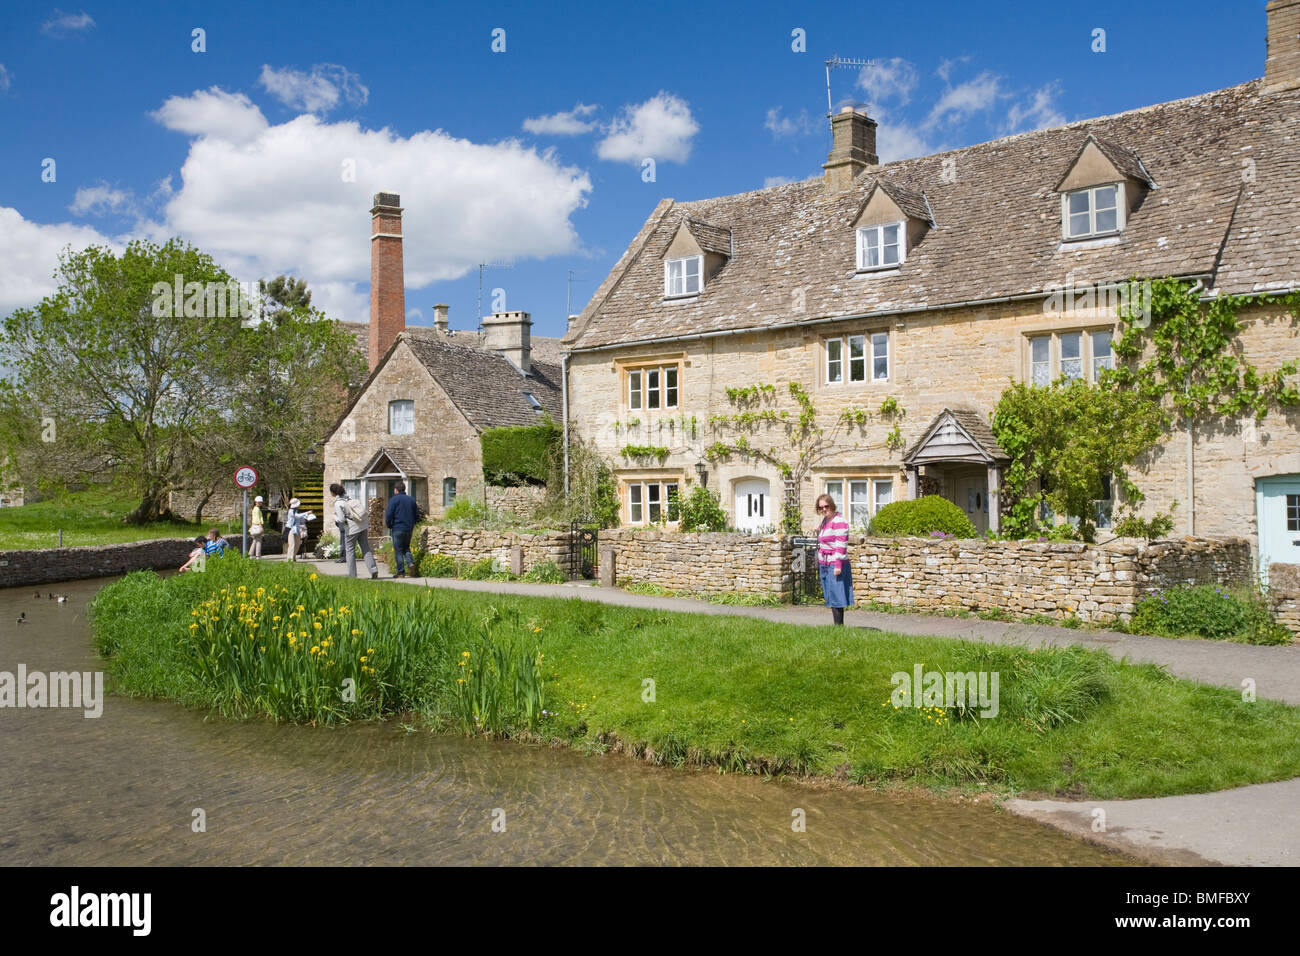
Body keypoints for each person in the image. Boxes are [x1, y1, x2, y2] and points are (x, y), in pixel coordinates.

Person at [815, 493, 854, 626]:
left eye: (826, 506)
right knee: (831, 594)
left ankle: (839, 627)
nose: (824, 509)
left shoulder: (839, 521)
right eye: (821, 508)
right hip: (825, 562)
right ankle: (837, 627)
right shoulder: (826, 521)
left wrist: (838, 565)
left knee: (837, 595)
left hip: (835, 563)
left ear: (832, 505)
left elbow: (841, 545)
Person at [331, 482, 378, 579]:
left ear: (333, 493)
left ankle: (352, 575)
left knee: (350, 551)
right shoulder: (349, 498)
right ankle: (373, 569)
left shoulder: (338, 503)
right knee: (365, 548)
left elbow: (342, 519)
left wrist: (334, 517)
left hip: (351, 529)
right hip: (362, 525)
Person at [384, 480, 422, 578]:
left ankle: (400, 572)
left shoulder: (393, 500)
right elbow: (417, 515)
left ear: (396, 490)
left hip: (397, 528)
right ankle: (410, 563)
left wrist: (389, 525)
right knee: (406, 548)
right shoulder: (411, 500)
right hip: (409, 528)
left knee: (398, 550)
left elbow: (388, 514)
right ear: (404, 489)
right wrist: (414, 523)